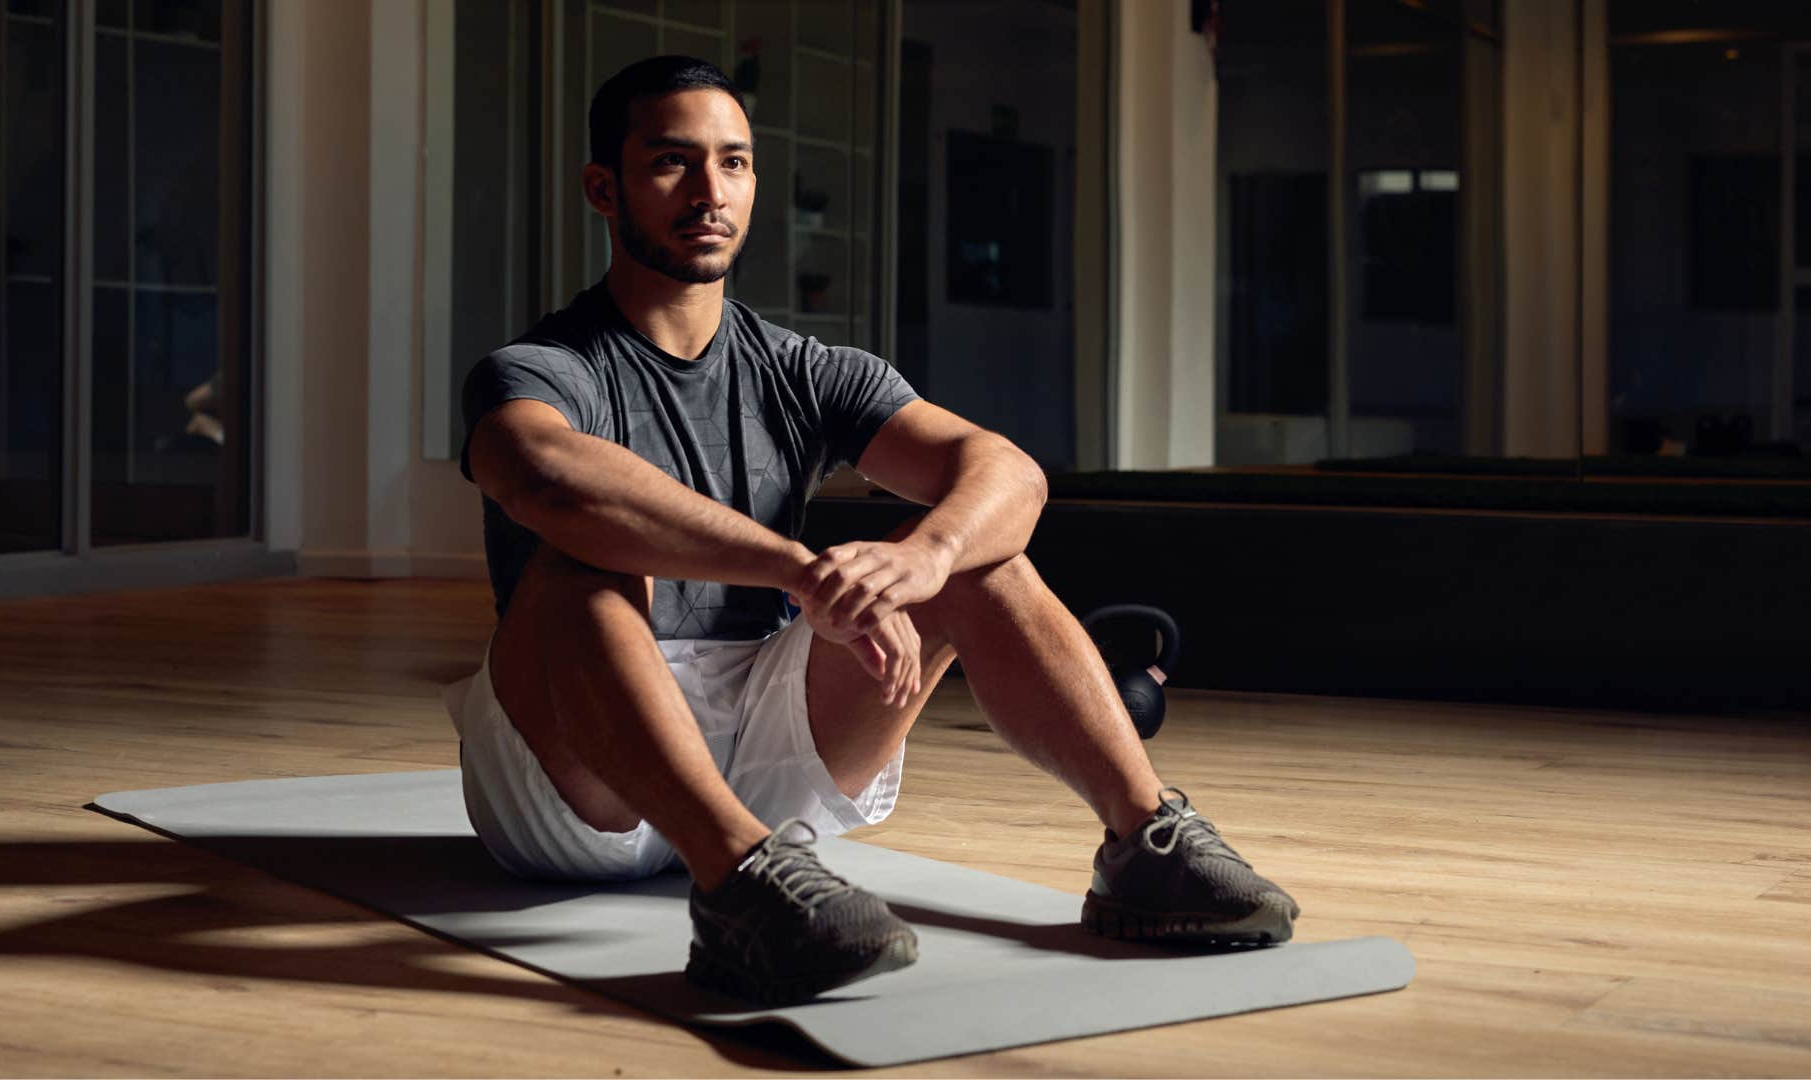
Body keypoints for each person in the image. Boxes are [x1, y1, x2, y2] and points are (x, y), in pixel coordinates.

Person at [449, 55, 1301, 1005]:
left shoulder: (803, 368)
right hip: (576, 785)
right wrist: (796, 567)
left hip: (770, 742)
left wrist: (921, 556)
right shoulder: (541, 367)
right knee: (581, 568)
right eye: (671, 164)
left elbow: (1008, 473)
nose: (709, 191)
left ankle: (1143, 840)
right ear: (604, 187)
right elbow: (547, 479)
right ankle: (735, 886)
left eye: (733, 163)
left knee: (982, 556)